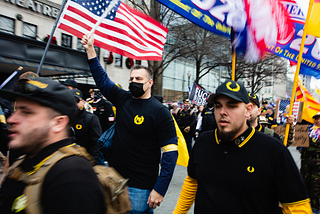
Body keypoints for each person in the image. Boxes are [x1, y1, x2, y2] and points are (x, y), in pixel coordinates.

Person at [173, 80, 311, 214]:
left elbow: (297, 206)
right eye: (218, 106)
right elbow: (192, 182)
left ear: (248, 110)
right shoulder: (203, 141)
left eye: (232, 106)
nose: (223, 112)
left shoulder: (273, 150)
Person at [81, 34, 178, 213]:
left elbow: (171, 155)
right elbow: (102, 80)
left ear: (149, 83)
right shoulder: (123, 99)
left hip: (140, 188)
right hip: (114, 181)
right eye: (131, 79)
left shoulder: (160, 112)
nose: (133, 82)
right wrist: (90, 50)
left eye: (138, 79)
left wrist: (160, 189)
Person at [0, 77, 105, 214]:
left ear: (58, 123)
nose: (11, 119)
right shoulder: (22, 162)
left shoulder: (72, 177)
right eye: (16, 110)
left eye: (26, 112)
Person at [71, 89, 102, 164]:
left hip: (86, 160)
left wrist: (91, 162)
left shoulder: (90, 118)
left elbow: (96, 143)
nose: (74, 104)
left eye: (76, 100)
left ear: (82, 102)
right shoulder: (65, 118)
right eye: (70, 100)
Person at [300, 112, 320, 214]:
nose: (318, 121)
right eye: (316, 119)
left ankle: (315, 209)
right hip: (306, 166)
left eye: (319, 118)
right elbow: (299, 144)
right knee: (305, 186)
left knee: (316, 189)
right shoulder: (309, 130)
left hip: (318, 168)